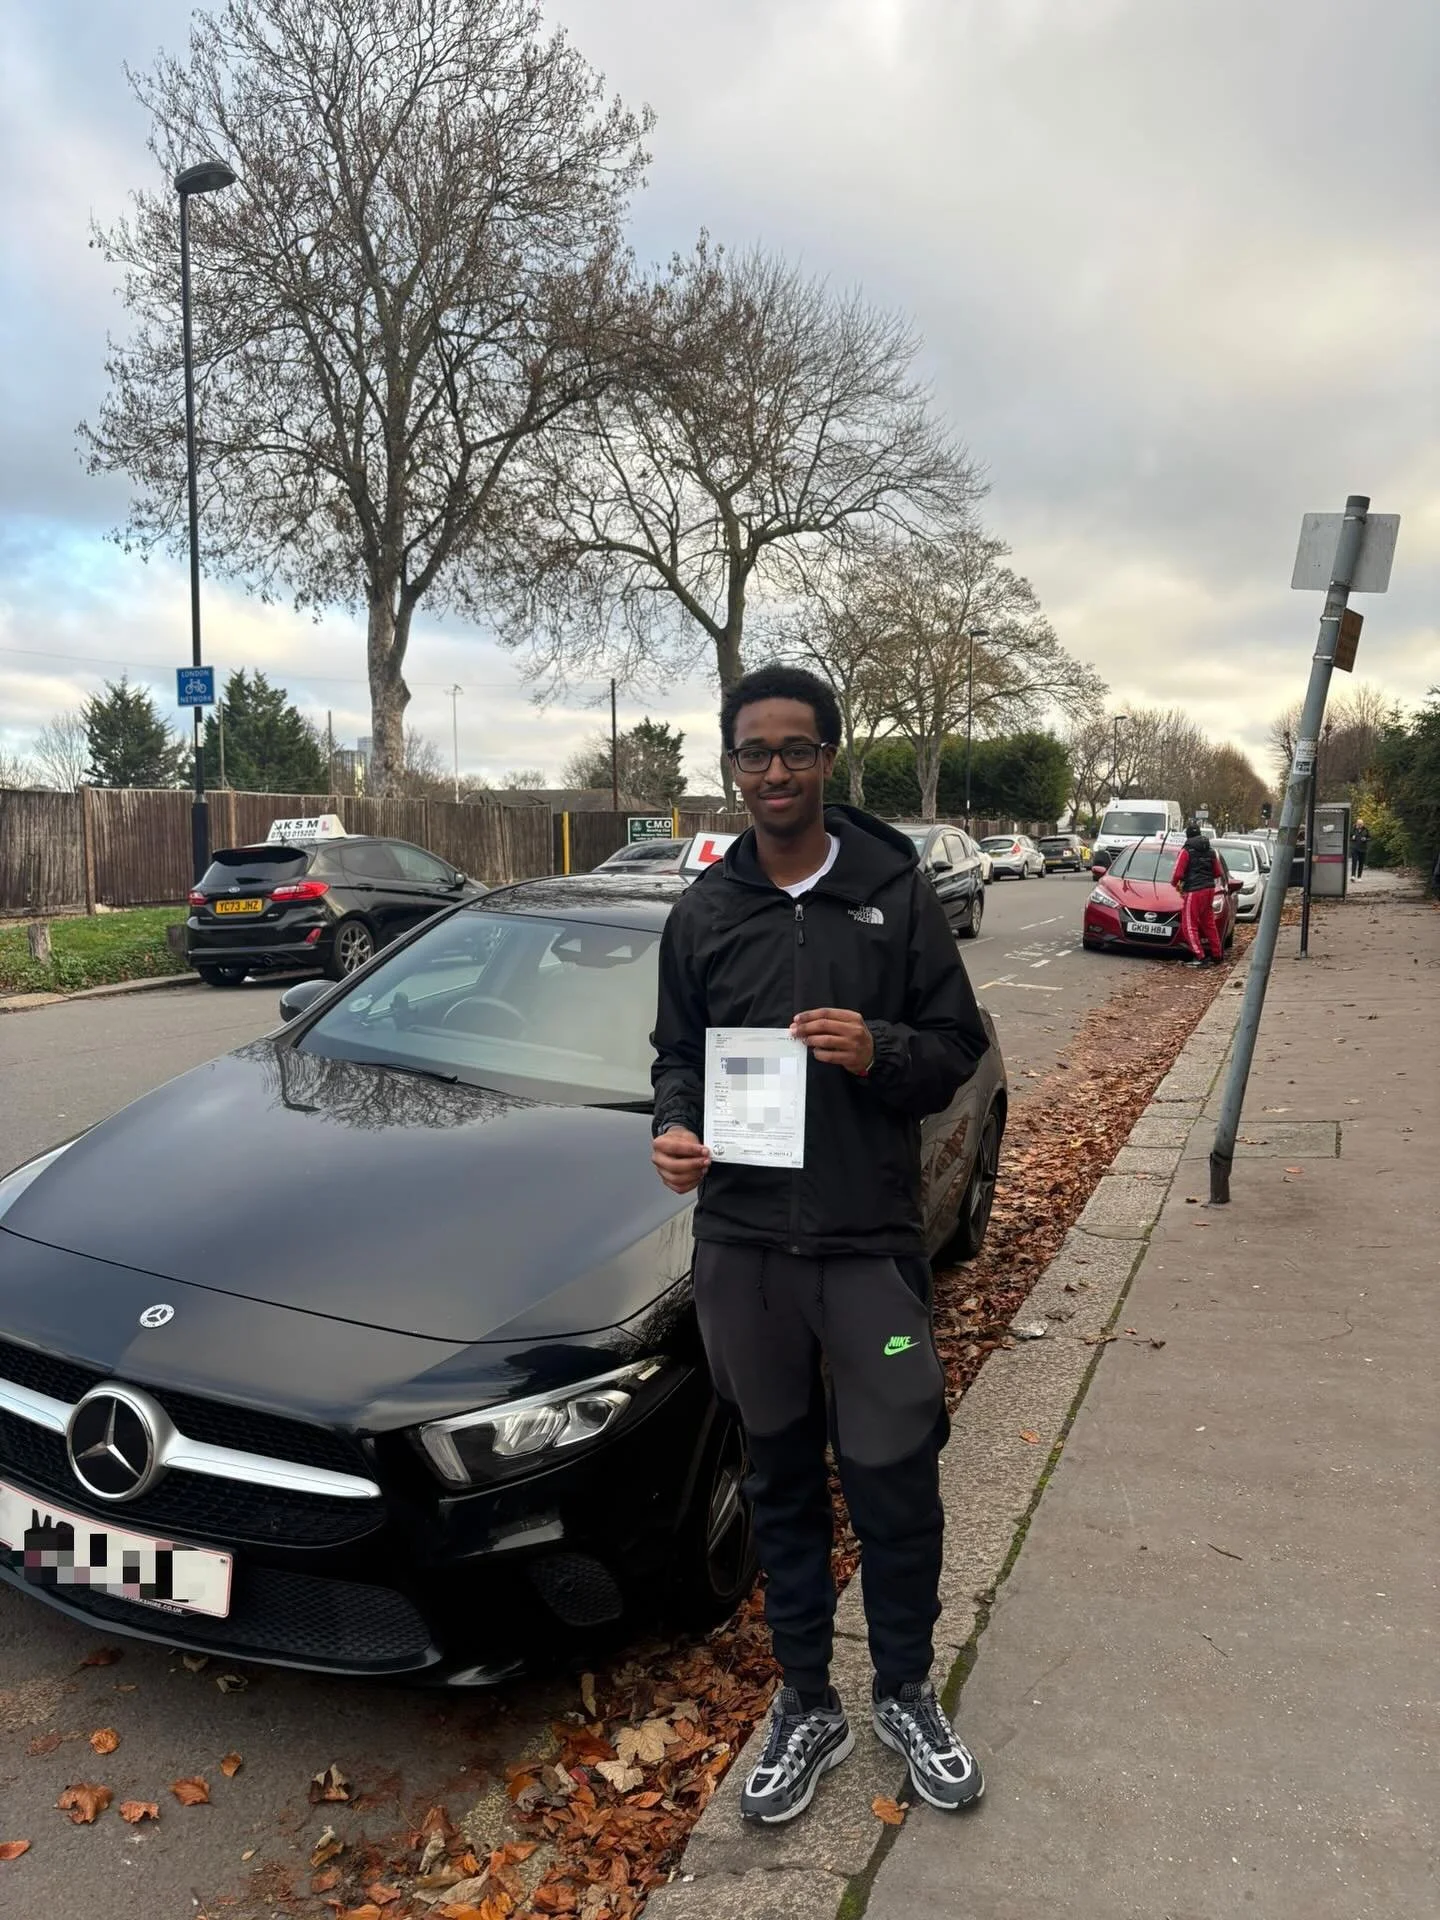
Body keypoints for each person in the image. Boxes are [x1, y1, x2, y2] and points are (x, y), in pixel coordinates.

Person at [650, 663, 990, 1826]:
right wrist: (675, 1127)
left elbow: (958, 1048)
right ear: (730, 764)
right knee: (781, 1483)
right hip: (744, 1251)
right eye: (755, 753)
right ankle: (808, 1700)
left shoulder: (894, 891)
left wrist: (878, 1051)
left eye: (797, 750)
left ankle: (903, 1689)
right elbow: (674, 1055)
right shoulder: (703, 912)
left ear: (829, 757)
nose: (776, 772)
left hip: (865, 1254)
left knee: (897, 1478)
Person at [1171, 819, 1224, 967]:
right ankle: (1217, 954)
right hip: (1209, 889)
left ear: (1187, 837)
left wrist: (1175, 885)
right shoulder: (1211, 851)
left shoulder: (1186, 851)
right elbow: (1217, 872)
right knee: (1209, 923)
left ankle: (1200, 956)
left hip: (1194, 890)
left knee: (1188, 925)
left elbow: (1177, 873)